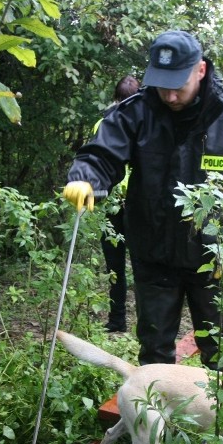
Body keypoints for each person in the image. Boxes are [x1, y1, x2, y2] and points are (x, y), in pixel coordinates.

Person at [63, 30, 223, 370]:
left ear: (201, 71)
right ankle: (156, 422)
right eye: (163, 84)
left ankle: (221, 421)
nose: (171, 95)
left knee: (221, 353)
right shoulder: (137, 113)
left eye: (178, 84)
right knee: (154, 351)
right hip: (154, 254)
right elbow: (101, 154)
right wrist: (86, 179)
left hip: (213, 259)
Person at [97, 75, 140, 333]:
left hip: (122, 206)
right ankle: (123, 322)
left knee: (117, 268)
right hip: (127, 207)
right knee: (132, 268)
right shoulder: (145, 124)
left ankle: (118, 321)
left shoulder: (105, 123)